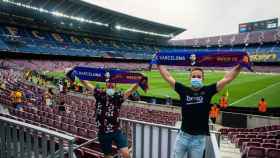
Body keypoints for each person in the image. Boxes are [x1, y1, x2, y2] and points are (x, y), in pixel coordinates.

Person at [157, 64, 242, 158]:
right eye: (193, 76)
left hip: (199, 140)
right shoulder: (183, 90)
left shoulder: (208, 91)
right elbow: (168, 77)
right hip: (182, 136)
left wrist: (240, 66)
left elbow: (227, 78)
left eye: (199, 77)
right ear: (190, 78)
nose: (196, 78)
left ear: (202, 79)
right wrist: (158, 64)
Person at [80, 79, 142, 158]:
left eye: (113, 84)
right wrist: (78, 73)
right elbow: (86, 83)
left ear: (116, 86)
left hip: (116, 131)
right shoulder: (99, 94)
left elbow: (131, 90)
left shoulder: (118, 97)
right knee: (107, 155)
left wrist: (140, 81)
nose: (110, 85)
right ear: (106, 84)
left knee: (126, 153)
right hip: (103, 132)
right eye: (109, 83)